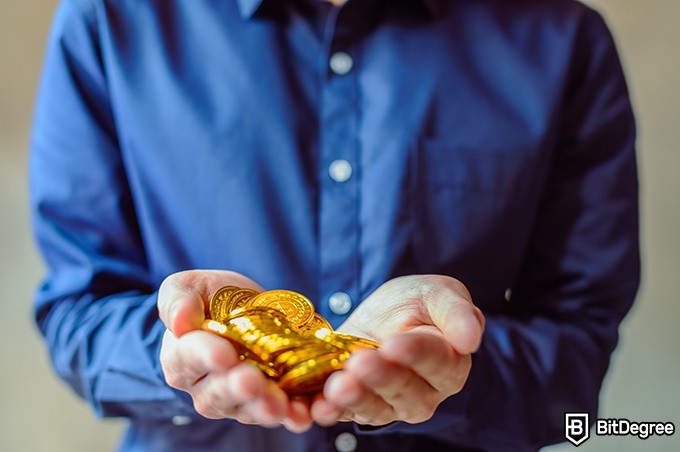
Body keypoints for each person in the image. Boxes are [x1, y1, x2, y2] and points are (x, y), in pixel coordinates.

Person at [28, 0, 640, 450]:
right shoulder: (107, 21)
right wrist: (176, 353)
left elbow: (578, 344)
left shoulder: (561, 40)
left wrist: (462, 378)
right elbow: (78, 308)